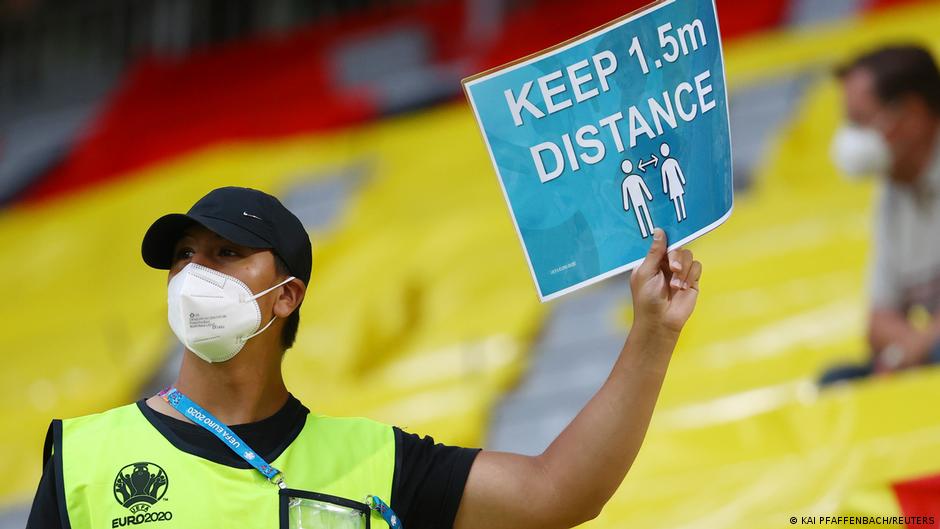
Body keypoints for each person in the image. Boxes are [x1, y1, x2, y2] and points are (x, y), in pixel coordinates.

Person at [26, 186, 703, 529]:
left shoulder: (375, 460)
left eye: (226, 253)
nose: (194, 272)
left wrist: (652, 331)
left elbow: (559, 493)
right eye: (183, 255)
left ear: (285, 295)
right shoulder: (84, 456)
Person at [823, 44, 940, 384]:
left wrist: (914, 346)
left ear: (913, 112)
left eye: (859, 121)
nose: (850, 137)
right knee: (837, 381)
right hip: (924, 353)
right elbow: (878, 324)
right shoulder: (892, 191)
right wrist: (908, 350)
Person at [621, 159, 656, 238]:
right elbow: (625, 194)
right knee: (642, 214)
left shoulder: (628, 181)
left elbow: (643, 187)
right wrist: (649, 196)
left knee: (642, 214)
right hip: (637, 201)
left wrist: (649, 196)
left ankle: (647, 231)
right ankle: (648, 231)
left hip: (639, 200)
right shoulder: (633, 179)